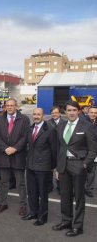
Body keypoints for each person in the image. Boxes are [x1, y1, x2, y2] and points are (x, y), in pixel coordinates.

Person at [52, 100, 97, 237]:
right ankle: (66, 221)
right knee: (65, 196)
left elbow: (93, 150)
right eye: (69, 110)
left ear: (78, 111)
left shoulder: (86, 126)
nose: (71, 113)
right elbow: (59, 148)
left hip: (78, 165)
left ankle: (78, 226)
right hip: (63, 166)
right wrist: (57, 168)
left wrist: (84, 164)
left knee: (79, 198)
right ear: (65, 112)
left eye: (74, 110)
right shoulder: (62, 126)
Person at [0, 98, 30, 216]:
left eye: (12, 105)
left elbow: (25, 137)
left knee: (21, 183)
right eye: (7, 105)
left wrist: (15, 148)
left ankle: (23, 205)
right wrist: (5, 148)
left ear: (16, 106)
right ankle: (3, 203)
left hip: (18, 155)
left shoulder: (24, 119)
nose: (9, 107)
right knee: (4, 182)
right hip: (3, 155)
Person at [22, 108, 57, 226]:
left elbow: (54, 150)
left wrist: (52, 168)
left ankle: (42, 217)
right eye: (34, 114)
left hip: (43, 167)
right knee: (32, 192)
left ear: (43, 116)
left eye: (39, 114)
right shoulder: (30, 128)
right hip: (30, 166)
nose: (36, 116)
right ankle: (33, 213)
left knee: (43, 193)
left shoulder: (50, 130)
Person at [47, 106, 67, 194]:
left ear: (60, 113)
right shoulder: (46, 123)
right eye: (52, 113)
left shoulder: (65, 123)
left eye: (56, 112)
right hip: (50, 150)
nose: (54, 114)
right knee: (49, 170)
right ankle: (49, 186)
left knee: (60, 170)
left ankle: (60, 187)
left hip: (61, 150)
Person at [85, 106, 97, 197]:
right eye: (91, 112)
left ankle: (89, 189)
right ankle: (79, 188)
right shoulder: (82, 122)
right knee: (80, 171)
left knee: (91, 172)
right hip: (83, 151)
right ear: (88, 113)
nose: (93, 114)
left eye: (95, 113)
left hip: (94, 152)